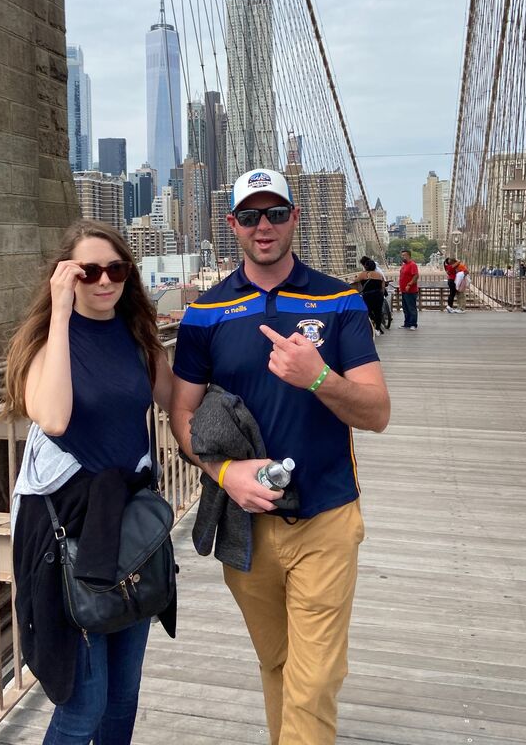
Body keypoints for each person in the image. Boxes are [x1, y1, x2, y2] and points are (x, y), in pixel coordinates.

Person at [170, 168, 390, 745]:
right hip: (245, 524)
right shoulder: (204, 313)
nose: (262, 227)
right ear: (232, 225)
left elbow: (376, 412)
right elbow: (181, 415)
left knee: (314, 682)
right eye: (249, 215)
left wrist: (318, 377)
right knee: (280, 665)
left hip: (325, 517)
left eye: (273, 213)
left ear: (295, 217)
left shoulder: (339, 301)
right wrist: (222, 471)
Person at [2, 219, 174, 745]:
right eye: (88, 271)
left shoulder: (140, 339)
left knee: (123, 698)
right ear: (65, 277)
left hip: (131, 528)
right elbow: (52, 417)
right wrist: (58, 313)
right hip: (66, 535)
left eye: (115, 269)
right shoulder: (42, 347)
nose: (104, 281)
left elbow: (179, 403)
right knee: (85, 705)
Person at [354, 256, 386, 334]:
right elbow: (382, 286)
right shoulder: (379, 275)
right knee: (378, 311)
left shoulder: (363, 274)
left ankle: (370, 327)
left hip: (368, 295)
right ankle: (377, 329)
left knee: (367, 311)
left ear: (366, 266)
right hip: (378, 295)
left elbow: (355, 281)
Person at [399, 248, 419, 329]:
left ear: (409, 256)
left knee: (411, 308)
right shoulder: (404, 265)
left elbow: (416, 276)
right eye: (402, 255)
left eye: (404, 255)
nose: (403, 257)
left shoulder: (412, 264)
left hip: (411, 290)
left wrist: (409, 284)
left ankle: (413, 324)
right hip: (404, 290)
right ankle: (407, 323)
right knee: (405, 308)